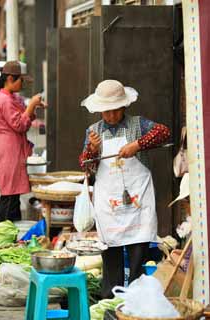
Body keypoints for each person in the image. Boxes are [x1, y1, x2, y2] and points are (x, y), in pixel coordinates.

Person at [79, 79, 170, 298]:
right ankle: (110, 302)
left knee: (138, 255)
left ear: (124, 106)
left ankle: (136, 303)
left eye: (115, 110)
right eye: (106, 112)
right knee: (111, 259)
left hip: (137, 203)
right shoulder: (93, 131)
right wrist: (92, 149)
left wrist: (137, 145)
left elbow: (164, 132)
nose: (110, 116)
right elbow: (85, 166)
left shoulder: (138, 125)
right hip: (109, 206)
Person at [0, 60, 47, 222]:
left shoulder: (9, 97)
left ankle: (9, 230)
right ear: (10, 79)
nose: (23, 84)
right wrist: (31, 105)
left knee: (12, 195)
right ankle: (2, 231)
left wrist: (33, 107)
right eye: (21, 80)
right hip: (9, 151)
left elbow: (22, 117)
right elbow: (19, 125)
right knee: (9, 195)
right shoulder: (4, 99)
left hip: (11, 149)